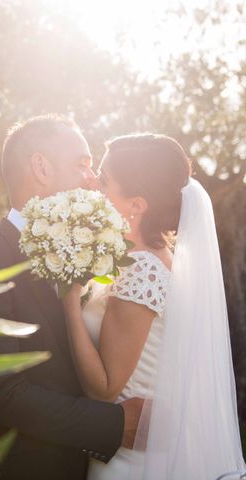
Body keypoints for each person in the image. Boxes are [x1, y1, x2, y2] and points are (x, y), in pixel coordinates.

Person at [0, 115, 143, 479]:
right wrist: (111, 425)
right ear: (41, 167)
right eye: (82, 164)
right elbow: (1, 391)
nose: (93, 178)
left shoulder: (87, 253)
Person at [61, 134, 246, 479]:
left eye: (104, 181)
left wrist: (70, 304)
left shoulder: (142, 269)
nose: (94, 190)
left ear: (136, 204)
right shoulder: (154, 260)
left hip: (127, 462)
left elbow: (105, 388)